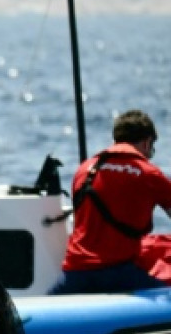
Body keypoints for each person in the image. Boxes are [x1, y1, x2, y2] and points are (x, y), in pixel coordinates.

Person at [53, 110, 170, 294]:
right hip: (119, 273)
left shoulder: (84, 170)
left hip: (74, 274)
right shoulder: (150, 174)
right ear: (147, 143)